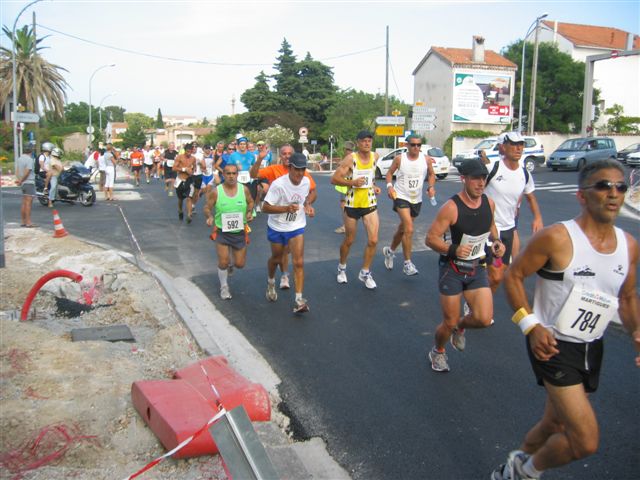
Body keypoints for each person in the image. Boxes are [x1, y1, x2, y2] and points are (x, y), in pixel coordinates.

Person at [491, 159, 639, 480]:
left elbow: (627, 297)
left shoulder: (628, 246)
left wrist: (637, 332)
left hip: (590, 345)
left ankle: (516, 462)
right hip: (552, 345)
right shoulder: (557, 238)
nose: (613, 193)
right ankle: (526, 472)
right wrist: (530, 326)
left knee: (554, 424)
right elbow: (513, 277)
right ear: (582, 196)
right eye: (603, 186)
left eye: (620, 187)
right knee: (585, 441)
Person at [425, 159, 505, 372]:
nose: (481, 183)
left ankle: (461, 327)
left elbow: (490, 225)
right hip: (452, 270)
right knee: (448, 322)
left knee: (484, 318)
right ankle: (438, 351)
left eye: (484, 179)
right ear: (463, 179)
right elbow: (431, 239)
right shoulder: (451, 208)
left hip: (477, 267)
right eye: (475, 179)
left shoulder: (489, 203)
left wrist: (497, 242)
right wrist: (453, 249)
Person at [250, 144, 318, 290]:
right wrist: (259, 159)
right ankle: (278, 276)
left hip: (295, 222)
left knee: (292, 255)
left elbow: (312, 191)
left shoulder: (303, 174)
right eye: (284, 154)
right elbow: (253, 175)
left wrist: (308, 205)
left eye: (289, 153)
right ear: (280, 156)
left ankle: (288, 280)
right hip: (277, 220)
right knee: (279, 255)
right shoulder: (274, 171)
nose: (287, 156)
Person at [484, 131, 543, 294]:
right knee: (495, 276)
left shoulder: (524, 174)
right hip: (488, 229)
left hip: (508, 230)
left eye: (521, 145)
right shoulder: (492, 168)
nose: (518, 148)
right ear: (504, 146)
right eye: (514, 144)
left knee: (499, 275)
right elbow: (473, 192)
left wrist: (537, 218)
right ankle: (477, 309)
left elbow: (531, 197)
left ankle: (480, 305)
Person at [262, 153, 315, 314]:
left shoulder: (306, 181)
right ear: (290, 168)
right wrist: (286, 208)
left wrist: (308, 205)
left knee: (298, 262)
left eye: (303, 169)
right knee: (277, 258)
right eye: (297, 169)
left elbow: (308, 196)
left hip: (296, 225)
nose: (300, 173)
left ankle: (299, 299)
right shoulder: (279, 185)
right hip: (277, 227)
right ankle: (271, 282)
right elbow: (265, 207)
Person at [331, 130, 381, 289]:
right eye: (364, 141)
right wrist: (352, 183)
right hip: (352, 204)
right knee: (349, 240)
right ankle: (342, 267)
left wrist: (373, 186)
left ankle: (365, 272)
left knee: (373, 240)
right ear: (358, 143)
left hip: (369, 203)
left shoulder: (376, 156)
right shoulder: (350, 159)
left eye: (369, 141)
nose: (367, 143)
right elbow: (334, 179)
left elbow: (369, 177)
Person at [382, 134, 436, 276]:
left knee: (403, 230)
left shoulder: (426, 160)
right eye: (413, 145)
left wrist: (431, 187)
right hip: (401, 196)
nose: (416, 147)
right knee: (409, 229)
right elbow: (389, 174)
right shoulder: (400, 159)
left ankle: (390, 251)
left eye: (419, 145)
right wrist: (389, 187)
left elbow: (431, 175)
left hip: (416, 199)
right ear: (407, 145)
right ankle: (407, 264)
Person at [203, 163, 254, 300]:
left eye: (234, 173)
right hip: (222, 232)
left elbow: (250, 202)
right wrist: (209, 216)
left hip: (239, 233)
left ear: (237, 175)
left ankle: (232, 264)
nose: (231, 176)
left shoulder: (244, 190)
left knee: (240, 264)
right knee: (223, 262)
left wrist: (249, 212)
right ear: (223, 175)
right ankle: (224, 287)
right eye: (228, 173)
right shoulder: (216, 191)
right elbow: (207, 207)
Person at [172, 142, 196, 222]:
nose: (189, 153)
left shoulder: (193, 159)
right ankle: (180, 210)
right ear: (185, 150)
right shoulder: (179, 157)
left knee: (189, 198)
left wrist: (191, 172)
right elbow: (174, 168)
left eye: (190, 152)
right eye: (187, 151)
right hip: (180, 180)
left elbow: (194, 168)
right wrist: (184, 169)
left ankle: (189, 215)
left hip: (188, 180)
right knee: (180, 199)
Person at [334, 140, 354, 234]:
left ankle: (346, 226)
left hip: (346, 185)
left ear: (346, 149)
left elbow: (344, 169)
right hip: (348, 185)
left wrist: (340, 164)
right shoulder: (354, 157)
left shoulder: (349, 158)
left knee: (344, 206)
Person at [16, 143, 36, 227]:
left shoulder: (20, 159)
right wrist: (22, 180)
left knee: (24, 202)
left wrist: (19, 180)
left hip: (23, 184)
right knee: (28, 203)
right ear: (31, 150)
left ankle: (23, 221)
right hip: (29, 182)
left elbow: (17, 171)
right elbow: (27, 172)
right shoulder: (29, 159)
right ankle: (28, 222)